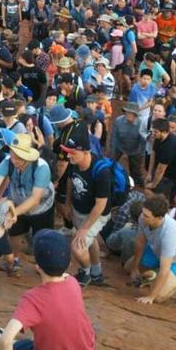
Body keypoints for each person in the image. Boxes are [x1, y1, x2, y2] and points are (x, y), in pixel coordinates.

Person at [63, 122, 112, 288]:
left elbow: (100, 205)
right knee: (89, 242)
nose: (69, 156)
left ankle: (86, 272)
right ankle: (97, 273)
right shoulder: (74, 163)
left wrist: (84, 228)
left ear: (86, 151)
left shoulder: (101, 171)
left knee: (77, 246)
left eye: (73, 153)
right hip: (79, 209)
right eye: (68, 153)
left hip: (97, 214)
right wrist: (68, 204)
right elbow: (71, 181)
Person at [128, 194, 176, 306]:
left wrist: (151, 297)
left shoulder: (170, 231)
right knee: (128, 267)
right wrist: (134, 267)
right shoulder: (143, 216)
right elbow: (140, 242)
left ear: (159, 217)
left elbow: (165, 268)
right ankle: (155, 273)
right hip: (157, 250)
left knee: (158, 298)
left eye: (147, 216)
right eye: (143, 213)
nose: (142, 217)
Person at [0, 133, 55, 244]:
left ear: (27, 156)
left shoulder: (42, 168)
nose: (13, 160)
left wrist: (13, 213)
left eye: (18, 157)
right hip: (18, 202)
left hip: (41, 208)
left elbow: (35, 199)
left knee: (42, 239)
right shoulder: (8, 161)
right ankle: (17, 258)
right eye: (12, 155)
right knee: (14, 235)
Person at [146, 117, 176, 196]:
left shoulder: (169, 146)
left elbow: (161, 169)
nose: (153, 133)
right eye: (153, 131)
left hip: (169, 175)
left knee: (154, 195)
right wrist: (149, 173)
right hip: (160, 168)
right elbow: (153, 154)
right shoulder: (158, 137)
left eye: (155, 132)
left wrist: (153, 184)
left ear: (164, 132)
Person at [110, 101, 144, 184]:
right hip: (119, 146)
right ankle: (109, 177)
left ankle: (136, 182)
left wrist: (142, 155)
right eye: (127, 112)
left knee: (135, 170)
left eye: (131, 113)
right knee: (111, 162)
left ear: (135, 115)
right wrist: (113, 150)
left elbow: (143, 142)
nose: (128, 115)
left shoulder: (141, 124)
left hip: (134, 149)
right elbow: (114, 137)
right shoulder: (118, 121)